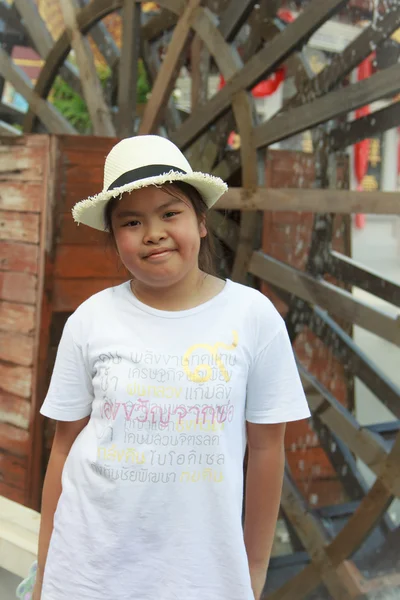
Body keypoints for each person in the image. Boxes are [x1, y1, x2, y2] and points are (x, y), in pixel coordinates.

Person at [32, 135, 310, 600]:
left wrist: (253, 569)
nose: (153, 232)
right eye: (131, 221)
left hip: (199, 575)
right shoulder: (91, 320)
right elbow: (63, 449)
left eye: (170, 213)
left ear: (201, 222)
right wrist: (45, 578)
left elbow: (266, 450)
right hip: (87, 571)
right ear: (114, 237)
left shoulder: (253, 317)